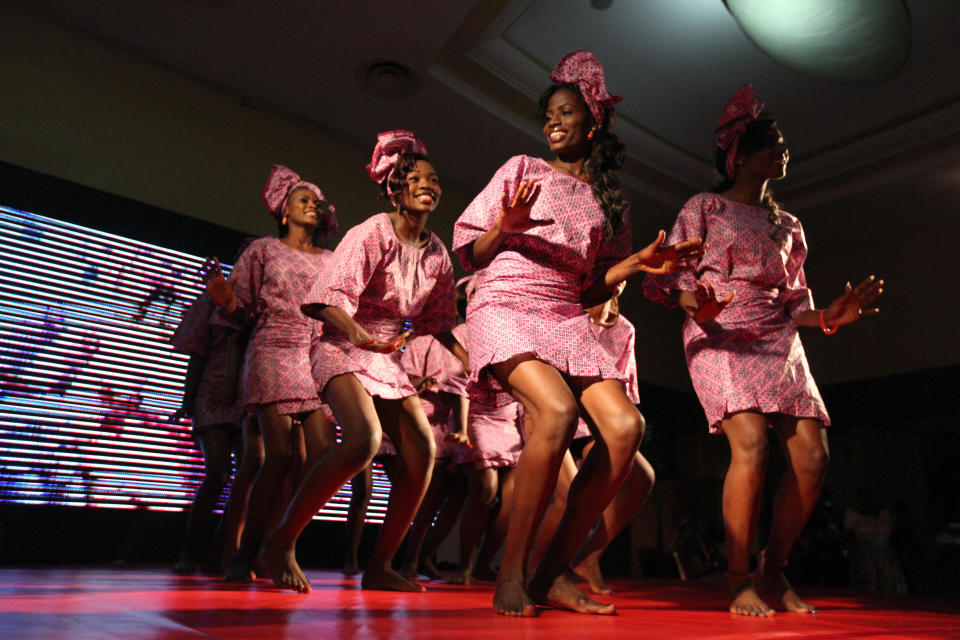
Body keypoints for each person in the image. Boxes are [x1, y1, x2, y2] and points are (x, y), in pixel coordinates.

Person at [452, 50, 703, 617]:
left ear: (594, 123)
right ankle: (509, 574)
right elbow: (468, 251)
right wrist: (503, 226)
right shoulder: (522, 170)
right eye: (548, 116)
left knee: (625, 426)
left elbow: (592, 291)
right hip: (506, 299)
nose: (553, 123)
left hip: (564, 311)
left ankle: (553, 572)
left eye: (566, 113)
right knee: (559, 414)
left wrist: (637, 264)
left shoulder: (608, 202)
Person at [643, 85, 884, 616]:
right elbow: (667, 277)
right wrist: (694, 305)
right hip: (719, 331)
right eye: (771, 143)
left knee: (813, 459)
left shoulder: (788, 227)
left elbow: (797, 303)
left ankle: (772, 571)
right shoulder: (704, 207)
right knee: (750, 446)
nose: (783, 152)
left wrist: (827, 317)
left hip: (779, 336)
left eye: (783, 145)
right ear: (740, 153)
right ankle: (736, 578)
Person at [258, 130, 468, 594]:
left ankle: (380, 565)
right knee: (364, 439)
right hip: (339, 342)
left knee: (421, 450)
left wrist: (454, 353)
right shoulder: (373, 231)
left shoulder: (436, 253)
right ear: (396, 187)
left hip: (384, 355)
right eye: (418, 179)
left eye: (435, 180)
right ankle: (281, 542)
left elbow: (434, 319)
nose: (429, 185)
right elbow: (327, 301)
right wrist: (359, 334)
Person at [204, 165, 338, 583]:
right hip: (272, 348)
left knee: (321, 457)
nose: (312, 206)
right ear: (284, 211)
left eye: (317, 201)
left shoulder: (333, 261)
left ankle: (279, 547)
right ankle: (246, 557)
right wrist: (227, 302)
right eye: (303, 200)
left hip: (315, 354)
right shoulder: (263, 250)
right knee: (277, 456)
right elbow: (241, 313)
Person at [169, 291, 243, 575]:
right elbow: (197, 355)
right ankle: (187, 553)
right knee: (219, 471)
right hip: (212, 395)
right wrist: (188, 403)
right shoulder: (215, 300)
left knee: (253, 472)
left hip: (245, 394)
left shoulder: (258, 303)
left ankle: (220, 552)